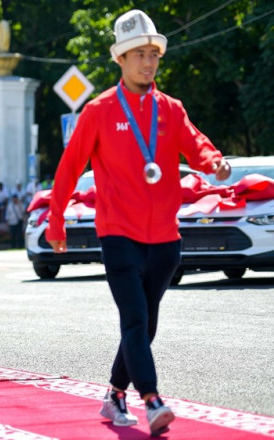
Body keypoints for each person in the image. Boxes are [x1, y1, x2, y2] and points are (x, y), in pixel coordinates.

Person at [45, 9, 231, 437]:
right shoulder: (98, 110)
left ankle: (114, 394)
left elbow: (197, 145)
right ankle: (152, 400)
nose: (148, 62)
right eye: (139, 54)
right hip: (118, 234)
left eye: (153, 54)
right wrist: (56, 223)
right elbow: (69, 169)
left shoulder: (170, 109)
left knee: (146, 325)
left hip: (165, 238)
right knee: (134, 319)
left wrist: (214, 162)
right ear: (121, 59)